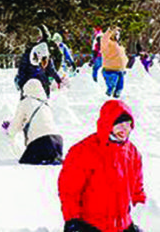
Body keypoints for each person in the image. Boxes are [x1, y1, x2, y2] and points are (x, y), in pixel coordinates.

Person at [58, 99, 146, 232]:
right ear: (108, 124)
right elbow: (69, 190)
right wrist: (72, 220)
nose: (125, 129)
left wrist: (143, 213)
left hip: (123, 225)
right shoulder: (83, 151)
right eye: (119, 124)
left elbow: (137, 189)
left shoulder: (132, 153)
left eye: (128, 124)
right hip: (92, 225)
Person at [3, 78, 63, 165]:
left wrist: (8, 132)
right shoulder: (45, 104)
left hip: (41, 141)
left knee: (25, 163)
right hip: (58, 142)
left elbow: (17, 124)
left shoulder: (26, 102)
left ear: (25, 89)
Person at [102, 27, 128, 98]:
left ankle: (115, 99)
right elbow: (104, 39)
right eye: (116, 34)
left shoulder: (119, 45)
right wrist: (110, 31)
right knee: (112, 86)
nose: (117, 36)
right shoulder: (107, 44)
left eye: (118, 34)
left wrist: (124, 67)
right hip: (110, 69)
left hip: (120, 70)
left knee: (119, 87)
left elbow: (123, 57)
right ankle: (107, 98)